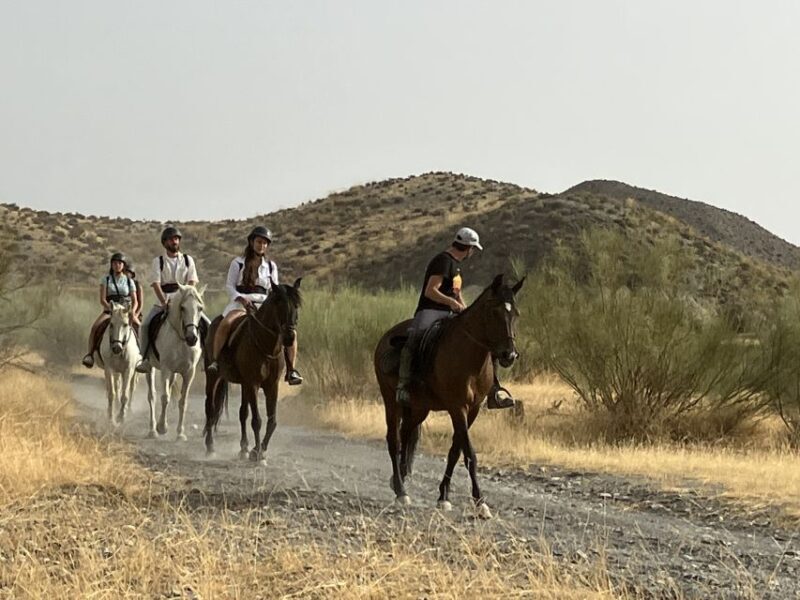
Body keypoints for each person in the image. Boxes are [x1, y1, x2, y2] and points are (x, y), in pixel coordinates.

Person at [395, 227, 515, 409]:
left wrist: (465, 310)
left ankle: (493, 391)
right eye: (472, 249)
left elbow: (456, 294)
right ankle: (404, 385)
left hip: (451, 312)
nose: (472, 252)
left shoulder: (456, 266)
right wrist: (451, 303)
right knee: (416, 339)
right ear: (467, 248)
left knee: (486, 341)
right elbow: (431, 291)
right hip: (431, 310)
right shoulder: (443, 262)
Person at [206, 226, 303, 385]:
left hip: (265, 305)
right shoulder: (237, 263)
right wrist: (241, 299)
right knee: (226, 323)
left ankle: (291, 370)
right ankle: (216, 361)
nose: (262, 246)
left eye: (265, 243)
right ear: (252, 242)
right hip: (241, 303)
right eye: (259, 242)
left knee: (289, 331)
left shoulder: (271, 266)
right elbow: (229, 286)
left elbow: (275, 290)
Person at [135, 226, 206, 373]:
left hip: (185, 299)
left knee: (207, 323)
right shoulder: (158, 261)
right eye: (170, 239)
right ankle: (145, 359)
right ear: (164, 242)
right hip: (164, 300)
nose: (174, 242)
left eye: (176, 239)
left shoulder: (188, 260)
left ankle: (207, 357)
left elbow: (192, 281)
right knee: (145, 325)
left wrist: (188, 297)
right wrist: (164, 301)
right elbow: (156, 283)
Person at [82, 252, 139, 368]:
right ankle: (90, 355)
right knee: (95, 327)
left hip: (124, 312)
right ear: (111, 265)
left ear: (123, 265)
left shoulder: (129, 281)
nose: (117, 265)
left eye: (119, 263)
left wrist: (133, 311)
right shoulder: (106, 280)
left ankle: (143, 357)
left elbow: (135, 300)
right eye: (114, 263)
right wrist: (111, 309)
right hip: (110, 311)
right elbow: (102, 299)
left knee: (140, 328)